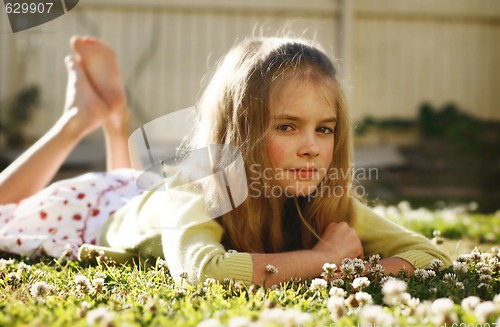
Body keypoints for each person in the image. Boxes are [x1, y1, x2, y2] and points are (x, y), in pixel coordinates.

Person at [0, 35, 451, 286]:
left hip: (147, 198)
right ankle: (79, 120)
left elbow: (427, 254)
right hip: (97, 211)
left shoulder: (325, 199)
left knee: (133, 180)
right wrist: (324, 260)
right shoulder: (198, 188)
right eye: (287, 126)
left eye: (325, 128)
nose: (312, 146)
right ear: (240, 135)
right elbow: (201, 272)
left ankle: (116, 121)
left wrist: (353, 271)